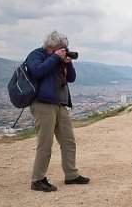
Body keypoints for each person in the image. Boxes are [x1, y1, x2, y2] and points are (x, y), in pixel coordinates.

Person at [26, 30, 90, 192]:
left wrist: (68, 62)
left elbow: (71, 78)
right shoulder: (36, 55)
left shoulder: (59, 59)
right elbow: (37, 71)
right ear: (52, 46)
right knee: (45, 144)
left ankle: (71, 174)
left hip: (60, 104)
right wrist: (55, 57)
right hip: (42, 104)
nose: (64, 49)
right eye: (62, 47)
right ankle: (37, 179)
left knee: (68, 141)